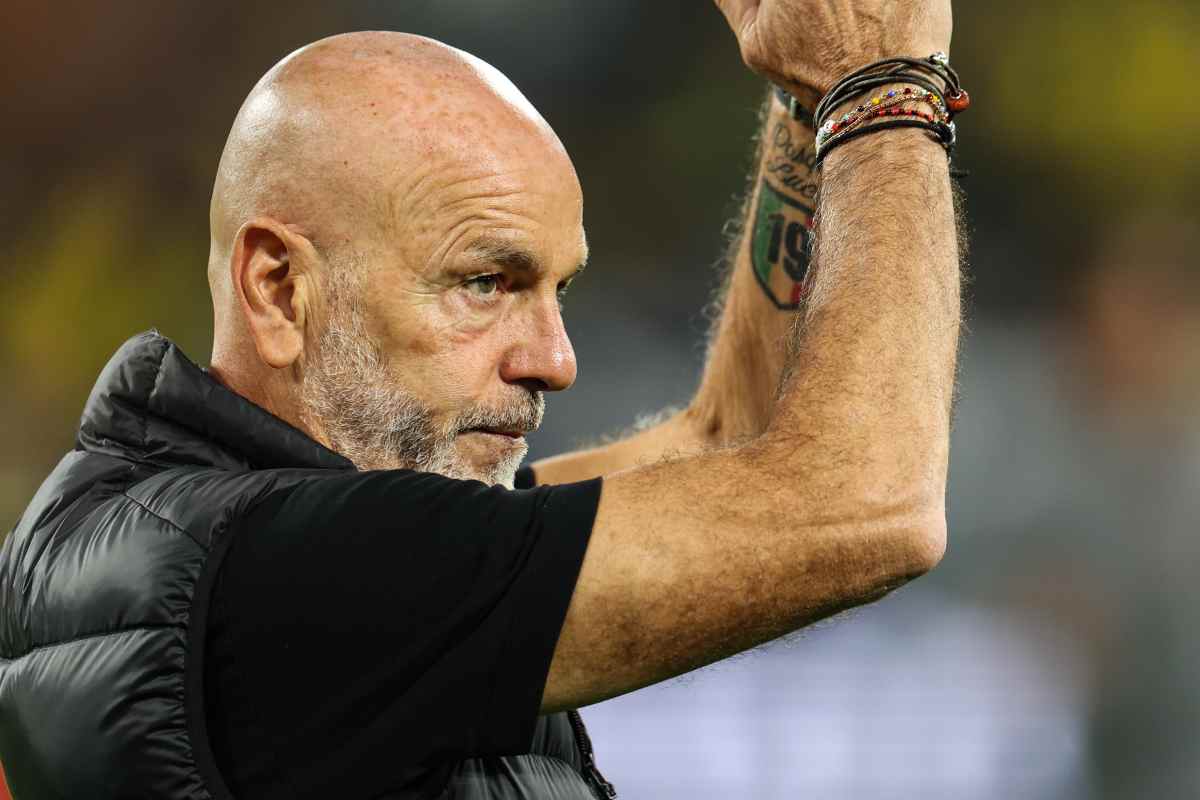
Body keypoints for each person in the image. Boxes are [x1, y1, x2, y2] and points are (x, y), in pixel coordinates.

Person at [0, 0, 963, 797]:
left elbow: (735, 445)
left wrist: (807, 89)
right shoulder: (293, 579)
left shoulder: (205, 542)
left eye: (559, 290)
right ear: (279, 289)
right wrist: (881, 89)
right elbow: (866, 503)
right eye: (486, 283)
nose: (556, 360)